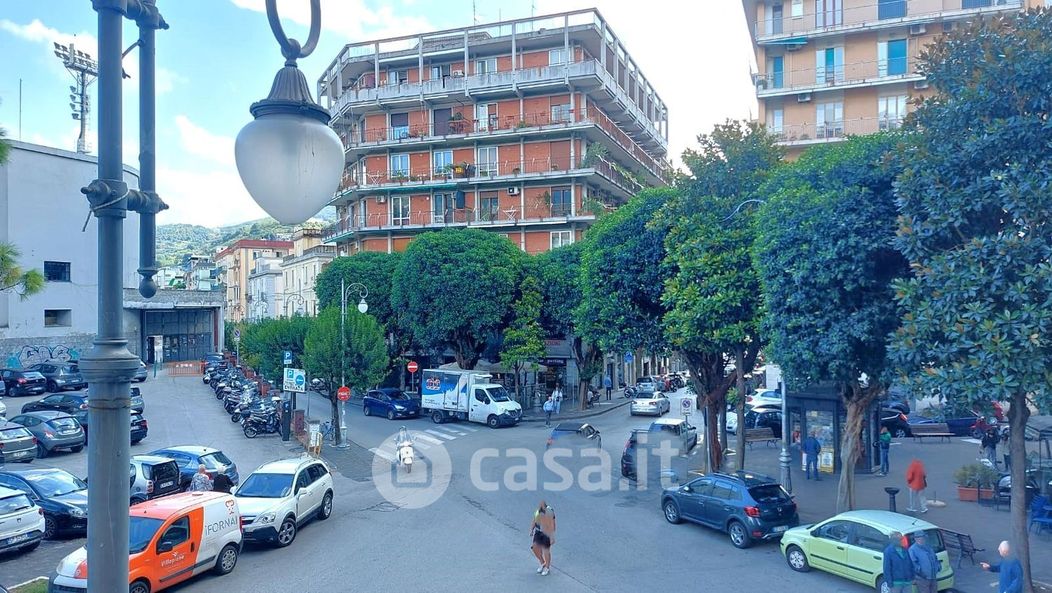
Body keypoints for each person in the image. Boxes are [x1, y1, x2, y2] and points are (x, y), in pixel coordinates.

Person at [529, 500, 556, 576]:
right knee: (534, 548)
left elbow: (553, 524)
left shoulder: (550, 512)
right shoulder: (537, 511)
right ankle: (542, 562)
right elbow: (534, 521)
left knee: (546, 550)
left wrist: (552, 536)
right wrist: (531, 530)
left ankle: (547, 567)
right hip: (538, 532)